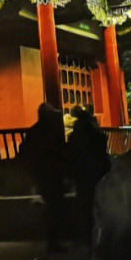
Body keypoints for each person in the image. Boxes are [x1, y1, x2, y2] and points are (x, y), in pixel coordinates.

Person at [22, 101, 67, 252]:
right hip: (52, 177)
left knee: (52, 210)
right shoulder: (51, 132)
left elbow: (26, 154)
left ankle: (52, 240)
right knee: (55, 210)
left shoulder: (34, 132)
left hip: (43, 177)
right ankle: (53, 241)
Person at [68, 106, 111, 247]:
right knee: (98, 206)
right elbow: (103, 153)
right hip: (97, 174)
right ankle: (100, 237)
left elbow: (70, 156)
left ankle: (87, 238)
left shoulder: (74, 137)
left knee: (85, 207)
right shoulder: (97, 135)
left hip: (81, 176)